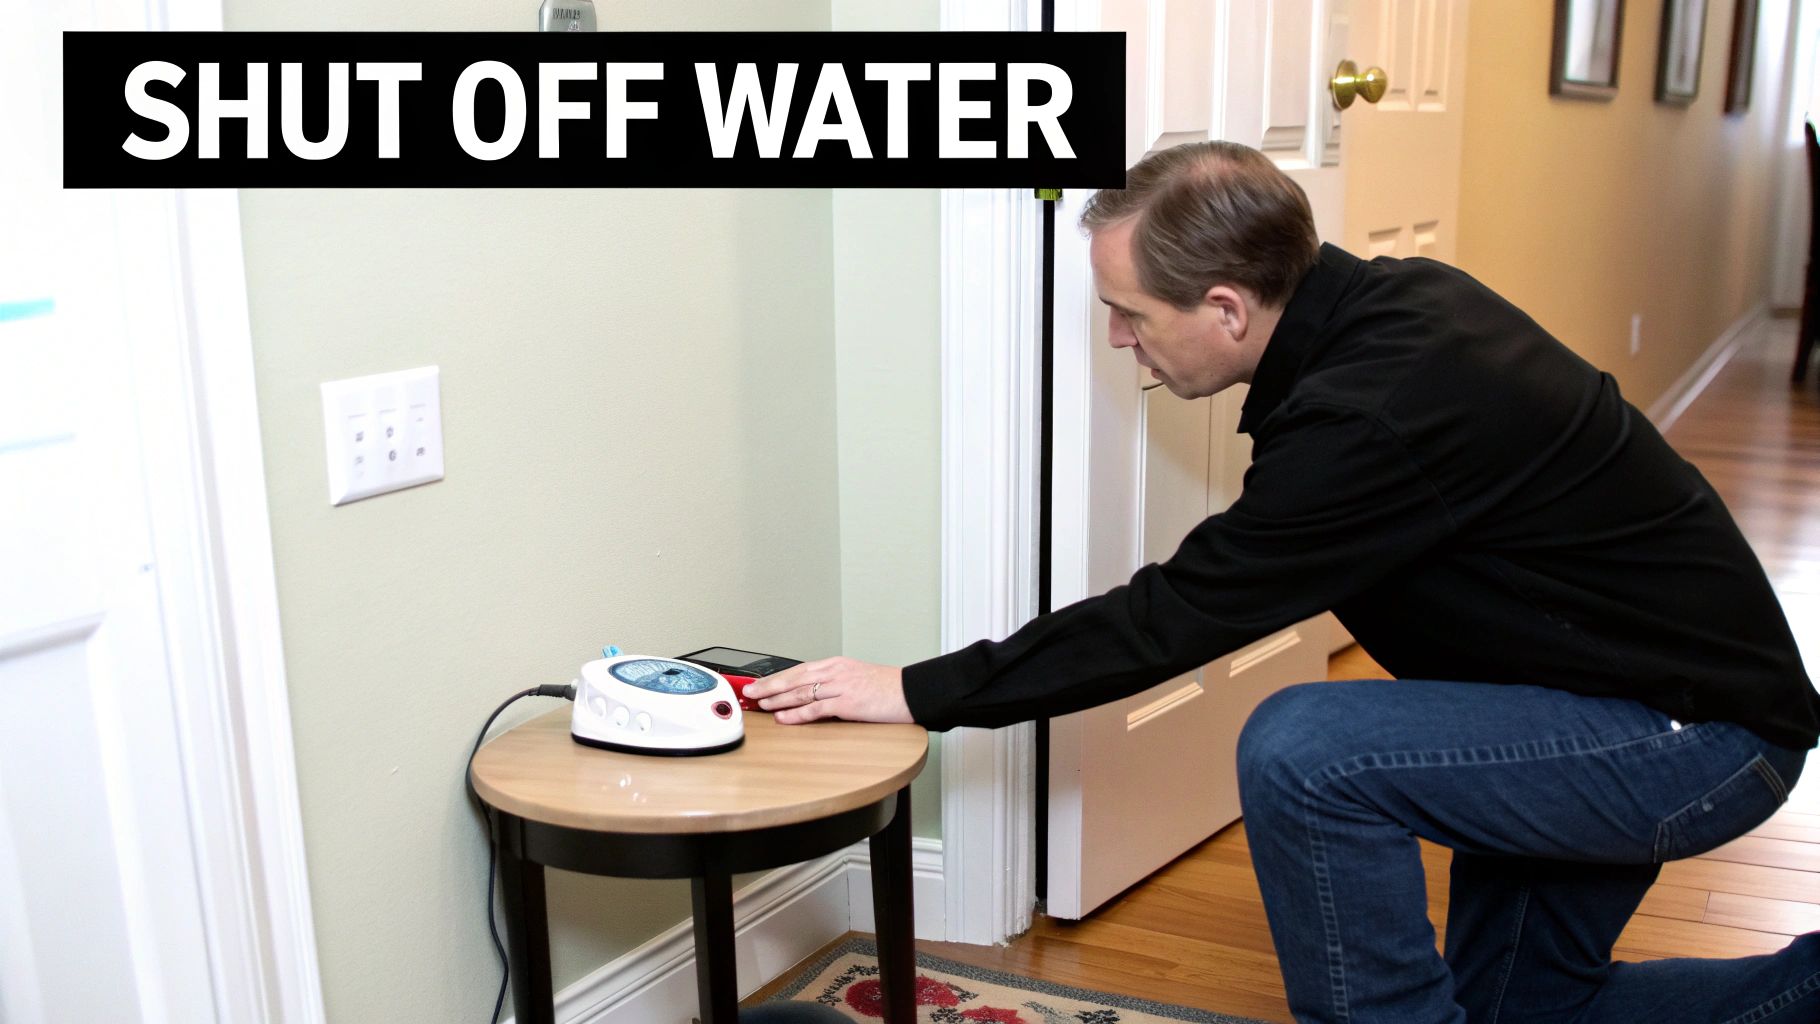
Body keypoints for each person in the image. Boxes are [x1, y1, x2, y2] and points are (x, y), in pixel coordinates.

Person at [742, 140, 1820, 1023]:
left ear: (1223, 306)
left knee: (1303, 750)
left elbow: (1170, 617)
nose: (1117, 338)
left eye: (1129, 314)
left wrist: (916, 689)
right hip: (1605, 697)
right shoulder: (1387, 310)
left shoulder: (1369, 415)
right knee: (1522, 1011)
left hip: (1687, 736)